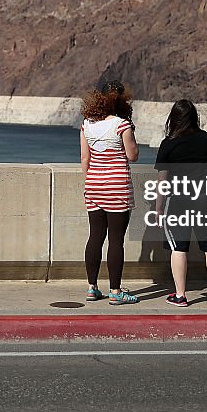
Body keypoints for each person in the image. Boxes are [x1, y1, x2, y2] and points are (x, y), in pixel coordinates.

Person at [154, 99, 207, 307]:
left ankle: (180, 295)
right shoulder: (206, 139)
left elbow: (163, 181)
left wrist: (158, 208)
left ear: (173, 118)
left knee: (179, 248)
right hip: (206, 199)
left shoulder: (169, 143)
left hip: (178, 200)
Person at [80, 80, 139, 305]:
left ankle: (92, 287)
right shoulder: (122, 125)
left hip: (94, 185)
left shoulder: (87, 124)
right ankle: (115, 291)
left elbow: (85, 158)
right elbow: (132, 155)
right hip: (117, 187)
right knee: (116, 240)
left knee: (95, 236)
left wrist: (91, 181)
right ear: (122, 99)